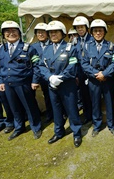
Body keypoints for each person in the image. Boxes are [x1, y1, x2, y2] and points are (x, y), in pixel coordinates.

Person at [39, 20, 82, 148]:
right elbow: (41, 66)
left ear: (63, 33)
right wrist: (50, 77)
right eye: (51, 32)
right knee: (56, 110)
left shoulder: (70, 48)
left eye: (56, 32)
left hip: (67, 85)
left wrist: (60, 78)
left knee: (72, 110)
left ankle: (77, 133)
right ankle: (59, 132)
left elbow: (73, 66)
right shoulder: (46, 49)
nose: (53, 34)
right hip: (52, 85)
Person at [0, 20, 42, 141]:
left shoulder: (28, 48)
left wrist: (35, 81)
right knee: (14, 107)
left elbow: (37, 66)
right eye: (7, 31)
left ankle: (36, 127)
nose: (11, 34)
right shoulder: (1, 49)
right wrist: (1, 81)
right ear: (3, 34)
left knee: (30, 106)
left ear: (19, 33)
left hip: (24, 83)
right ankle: (19, 127)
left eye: (14, 31)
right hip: (8, 83)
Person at [81, 19, 114, 137]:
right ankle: (96, 126)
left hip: (107, 80)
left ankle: (111, 125)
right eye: (96, 31)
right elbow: (84, 64)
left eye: (101, 31)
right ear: (92, 32)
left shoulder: (111, 46)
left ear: (104, 32)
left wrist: (105, 74)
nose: (98, 33)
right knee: (95, 103)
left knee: (109, 102)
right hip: (94, 81)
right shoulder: (86, 47)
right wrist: (97, 74)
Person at [31, 22, 53, 123]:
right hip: (40, 76)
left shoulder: (53, 44)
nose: (40, 34)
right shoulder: (33, 47)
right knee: (46, 95)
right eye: (38, 32)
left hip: (53, 75)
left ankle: (62, 113)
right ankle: (49, 113)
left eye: (43, 32)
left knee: (56, 95)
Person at [73, 16, 93, 123]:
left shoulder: (92, 39)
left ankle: (95, 114)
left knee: (93, 95)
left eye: (82, 27)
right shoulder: (75, 41)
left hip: (91, 71)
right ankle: (87, 115)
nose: (80, 29)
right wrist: (76, 75)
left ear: (86, 27)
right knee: (83, 95)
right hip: (80, 72)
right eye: (77, 27)